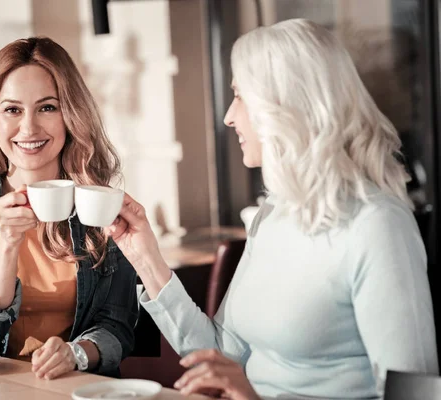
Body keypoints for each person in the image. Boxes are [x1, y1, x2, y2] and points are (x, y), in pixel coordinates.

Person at [106, 19, 438, 399]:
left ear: (286, 105)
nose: (229, 116)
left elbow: (414, 394)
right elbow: (218, 356)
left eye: (240, 96)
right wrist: (145, 257)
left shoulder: (377, 226)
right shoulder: (274, 213)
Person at [0, 37, 139, 380]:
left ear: (71, 116)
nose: (28, 128)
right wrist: (8, 241)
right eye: (12, 110)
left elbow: (119, 325)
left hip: (82, 387)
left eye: (48, 107)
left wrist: (76, 354)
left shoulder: (100, 204)